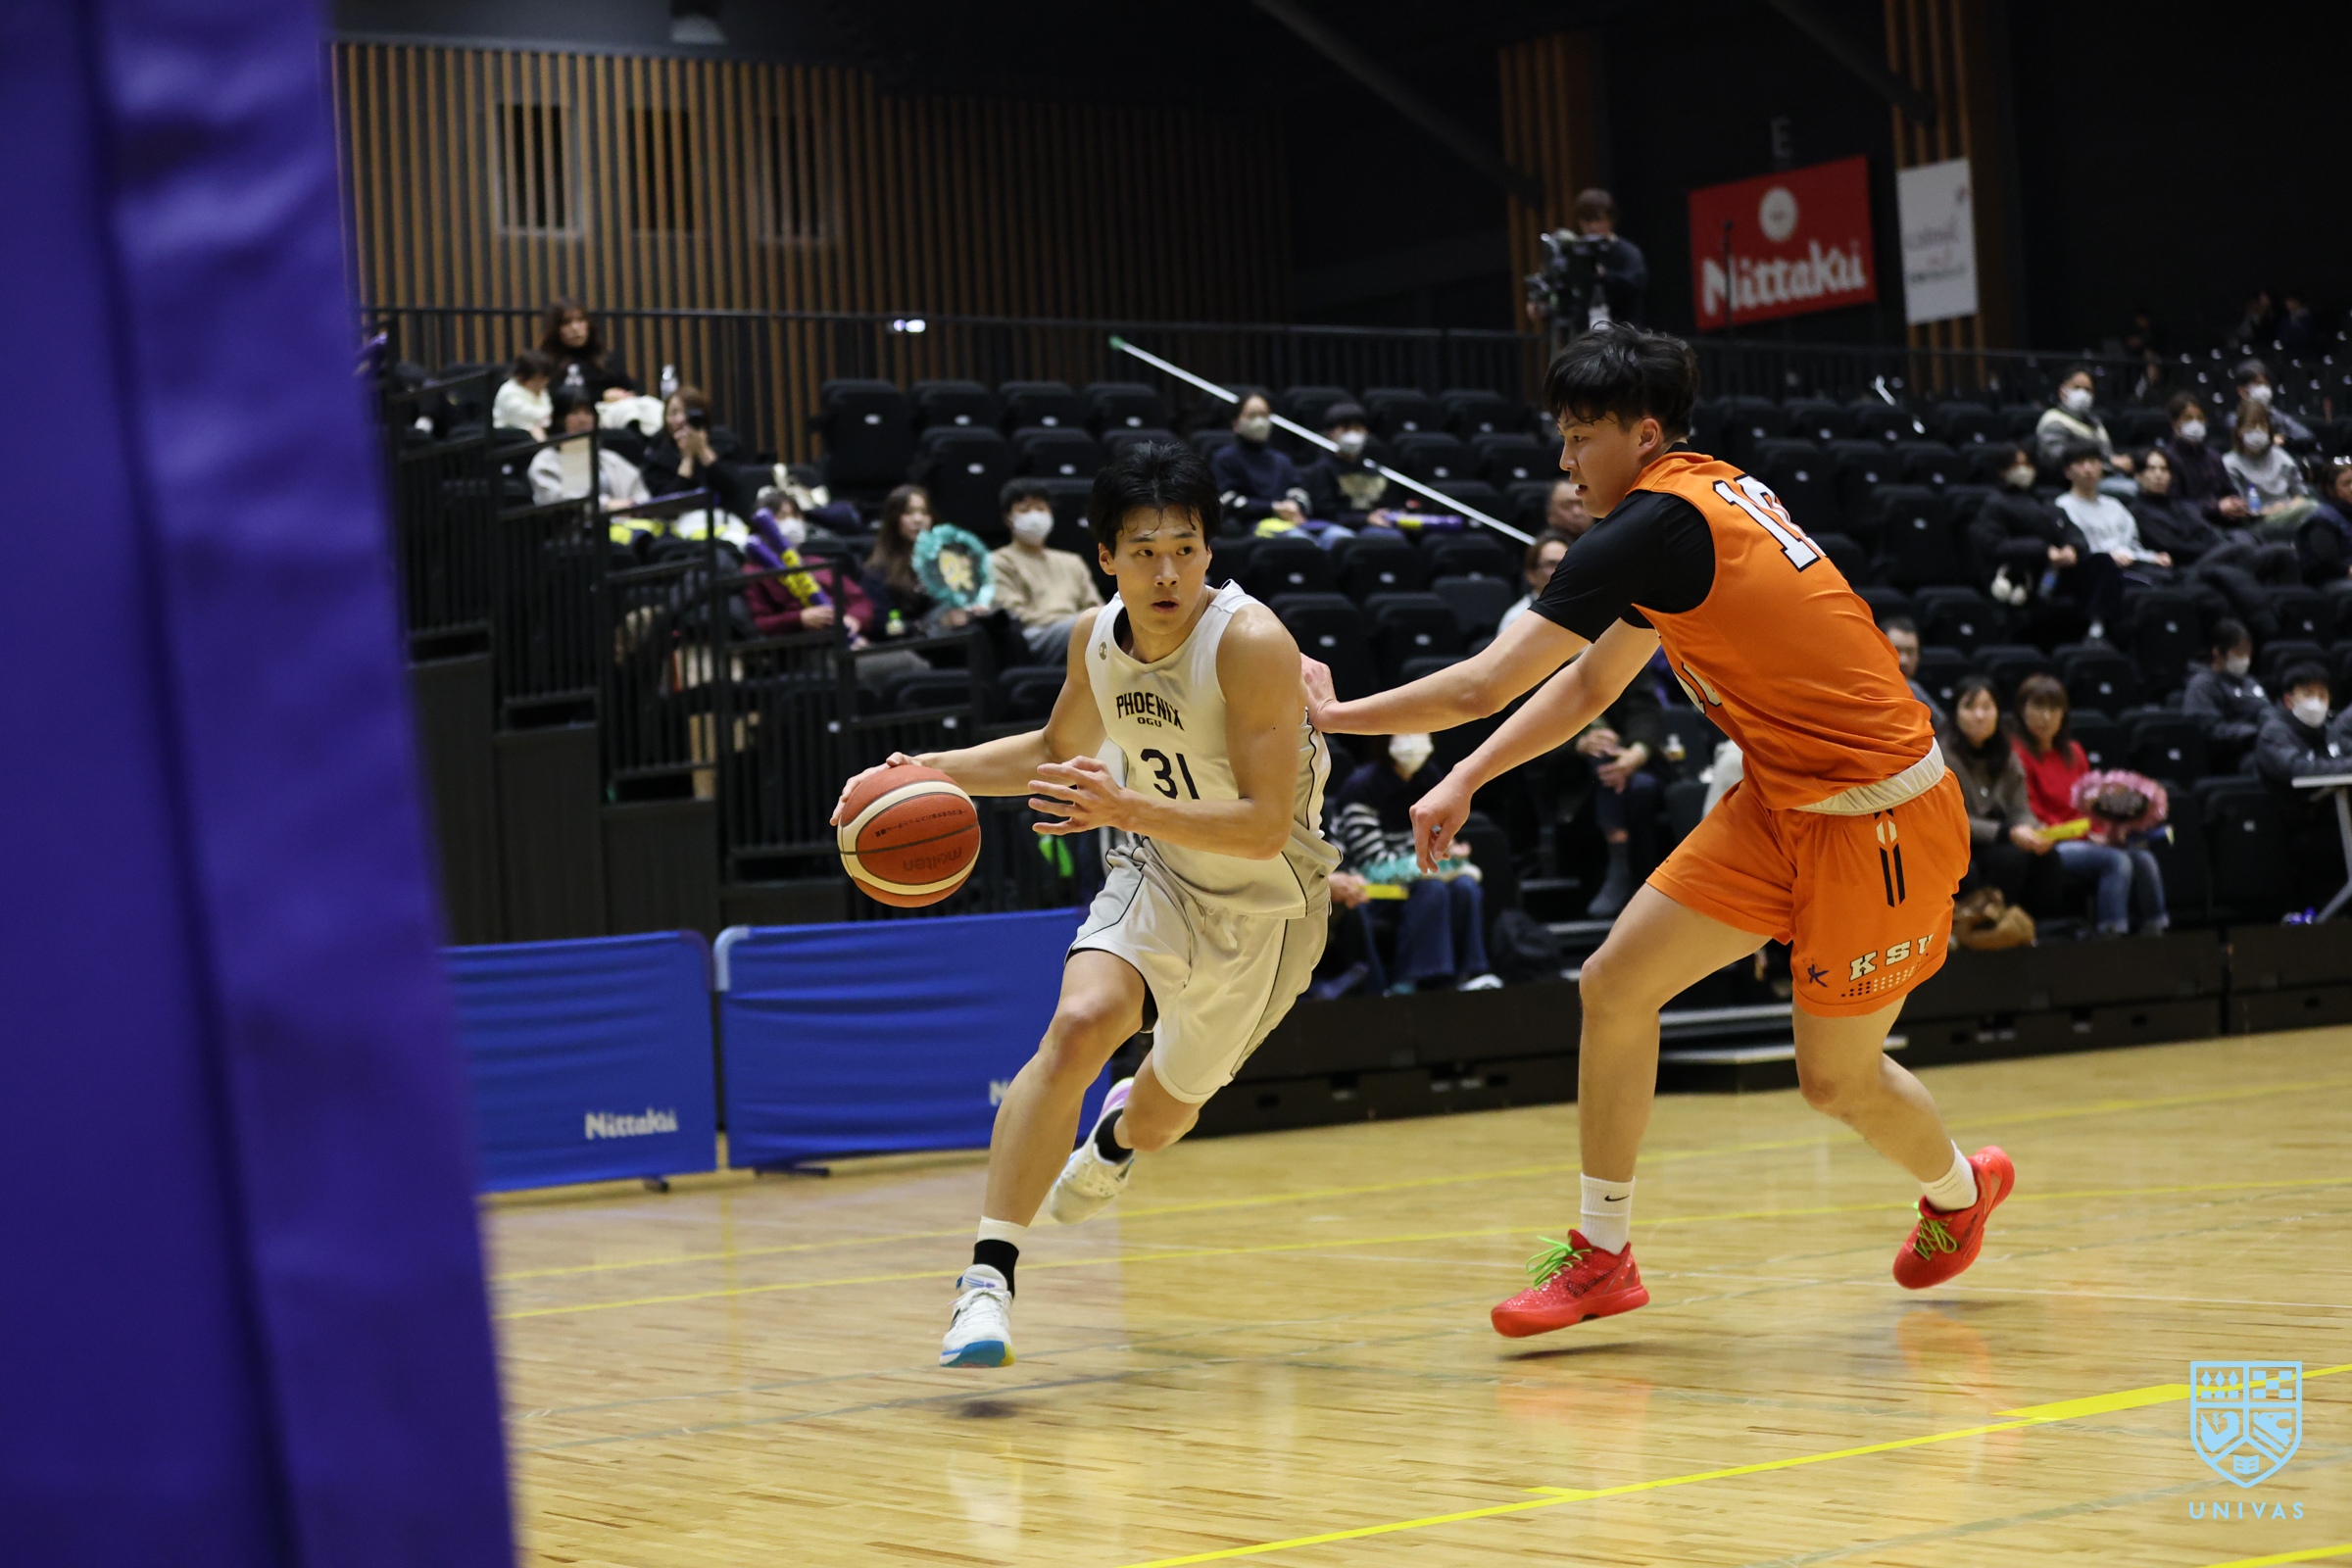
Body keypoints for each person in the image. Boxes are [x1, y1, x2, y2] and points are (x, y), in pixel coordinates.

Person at [1299, 323, 2009, 1339]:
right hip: (1781, 799)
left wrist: (1332, 715)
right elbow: (1591, 685)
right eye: (1562, 436)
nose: (1564, 461)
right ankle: (1603, 1254)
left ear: (1641, 435)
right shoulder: (1688, 508)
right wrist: (1464, 775)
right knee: (1615, 984)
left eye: (1580, 436)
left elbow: (1485, 682)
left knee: (1835, 1081)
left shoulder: (1655, 526)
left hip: (1879, 818)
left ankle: (1959, 1194)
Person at [829, 442, 1338, 1368]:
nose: (1167, 572)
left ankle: (1116, 1136)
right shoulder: (1095, 638)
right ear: (1105, 557)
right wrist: (926, 772)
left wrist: (1121, 806)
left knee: (1163, 1119)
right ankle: (986, 1284)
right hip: (1158, 869)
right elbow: (1053, 753)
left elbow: (1265, 827)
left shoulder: (1251, 642)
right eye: (1144, 552)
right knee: (1077, 1028)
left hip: (1269, 907)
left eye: (1185, 549)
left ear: (1209, 550)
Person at [1331, 733, 1501, 994]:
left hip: (1418, 876)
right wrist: (1434, 867)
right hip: (1370, 886)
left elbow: (1439, 840)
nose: (1414, 741)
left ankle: (1472, 972)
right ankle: (1414, 980)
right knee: (1431, 889)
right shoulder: (1361, 787)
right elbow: (1372, 864)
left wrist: (1451, 853)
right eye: (1405, 733)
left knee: (1465, 886)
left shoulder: (1431, 779)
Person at [2008, 674, 2165, 936]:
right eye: (2038, 707)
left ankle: (2156, 934)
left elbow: (2091, 806)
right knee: (2117, 862)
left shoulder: (2074, 751)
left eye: (2053, 709)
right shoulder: (2017, 754)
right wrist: (2087, 835)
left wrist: (2106, 832)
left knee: (2144, 859)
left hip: (2087, 837)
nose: (2046, 717)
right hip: (2051, 842)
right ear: (2022, 710)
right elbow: (2032, 812)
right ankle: (2110, 936)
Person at [2130, 447, 2300, 638]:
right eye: (2151, 469)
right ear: (2138, 475)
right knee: (2238, 548)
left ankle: (2295, 621)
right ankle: (2271, 629)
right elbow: (2171, 547)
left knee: (2282, 552)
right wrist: (2216, 549)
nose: (2158, 475)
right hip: (2186, 570)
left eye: (2163, 469)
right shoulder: (2138, 511)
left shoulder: (2183, 506)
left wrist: (2219, 547)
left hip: (2219, 558)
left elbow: (2209, 533)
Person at [1940, 674, 2062, 915]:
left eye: (1987, 707)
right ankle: (1991, 924)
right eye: (1969, 707)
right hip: (1962, 842)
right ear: (1955, 713)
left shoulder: (2007, 754)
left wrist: (2036, 831)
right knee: (2011, 858)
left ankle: (2045, 929)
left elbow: (2021, 808)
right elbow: (1953, 821)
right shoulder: (1943, 757)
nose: (1979, 715)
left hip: (2003, 836)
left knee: (2047, 856)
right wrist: (2008, 833)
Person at [2253, 662, 2352, 913]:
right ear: (2289, 700)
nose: (2317, 702)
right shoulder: (2274, 733)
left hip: (2334, 821)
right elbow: (2300, 769)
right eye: (2308, 694)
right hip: (2295, 829)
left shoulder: (2328, 729)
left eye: (2322, 695)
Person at [2054, 441, 2169, 635]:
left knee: (2169, 577)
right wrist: (2111, 555)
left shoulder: (2114, 505)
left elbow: (2132, 545)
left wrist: (2152, 557)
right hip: (2093, 571)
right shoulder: (2063, 506)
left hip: (2130, 565)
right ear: (2067, 472)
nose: (2088, 469)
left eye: (2093, 462)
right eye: (2080, 463)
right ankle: (2098, 631)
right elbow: (2077, 546)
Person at [990, 480, 1103, 662]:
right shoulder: (998, 561)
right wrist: (1077, 621)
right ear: (1008, 518)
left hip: (1078, 627)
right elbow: (1013, 615)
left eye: (1040, 509)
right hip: (1034, 635)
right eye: (1025, 510)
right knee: (1090, 626)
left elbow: (1094, 605)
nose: (1034, 516)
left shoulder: (1072, 561)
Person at [1966, 446, 2086, 615]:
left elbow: (2071, 530)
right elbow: (1994, 545)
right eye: (2016, 465)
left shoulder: (2045, 502)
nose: (2023, 470)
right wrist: (2043, 549)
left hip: (2055, 576)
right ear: (2003, 470)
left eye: (2027, 464)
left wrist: (2072, 547)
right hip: (2019, 579)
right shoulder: (1995, 505)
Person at [1524, 188, 1648, 340]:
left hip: (1623, 333)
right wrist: (1544, 308)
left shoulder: (1627, 252)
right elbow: (1563, 295)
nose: (1592, 226)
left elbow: (1636, 284)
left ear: (1611, 219)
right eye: (1586, 221)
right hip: (1583, 336)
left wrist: (1603, 275)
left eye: (1598, 219)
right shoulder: (1574, 254)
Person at [526, 389, 649, 510]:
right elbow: (563, 502)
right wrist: (606, 506)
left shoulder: (609, 458)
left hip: (625, 520)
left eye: (588, 413)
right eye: (574, 413)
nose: (582, 419)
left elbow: (640, 493)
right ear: (560, 420)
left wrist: (635, 506)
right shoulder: (546, 461)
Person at [1209, 393, 1312, 529]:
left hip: (1291, 521)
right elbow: (1227, 501)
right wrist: (1273, 508)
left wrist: (1294, 506)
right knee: (1298, 537)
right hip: (1252, 525)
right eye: (1252, 415)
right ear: (1236, 423)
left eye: (1264, 415)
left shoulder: (1282, 460)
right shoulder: (1225, 459)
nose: (1259, 421)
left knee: (1335, 534)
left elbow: (1299, 492)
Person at [2180, 619, 2269, 769]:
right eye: (2239, 652)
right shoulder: (2202, 685)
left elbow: (2267, 711)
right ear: (2218, 652)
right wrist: (2251, 732)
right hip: (2228, 757)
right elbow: (2209, 730)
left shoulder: (2250, 682)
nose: (2245, 658)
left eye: (2248, 652)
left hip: (2261, 746)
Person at [641, 385, 748, 509]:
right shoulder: (658, 450)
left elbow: (736, 488)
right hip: (679, 517)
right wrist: (687, 458)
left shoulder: (724, 441)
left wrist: (702, 449)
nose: (680, 419)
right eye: (673, 413)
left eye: (687, 412)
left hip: (723, 513)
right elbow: (664, 504)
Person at [1298, 402, 1399, 526]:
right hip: (1339, 527)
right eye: (1346, 429)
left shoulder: (1375, 469)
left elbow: (1389, 502)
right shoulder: (1321, 470)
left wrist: (1387, 512)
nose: (1353, 434)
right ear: (1330, 434)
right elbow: (1325, 512)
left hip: (1376, 524)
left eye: (1358, 429)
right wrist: (1365, 519)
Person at [2225, 404, 2317, 537]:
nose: (2257, 432)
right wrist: (2271, 510)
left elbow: (2299, 494)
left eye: (2262, 427)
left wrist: (2287, 507)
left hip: (2291, 512)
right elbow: (2239, 508)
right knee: (2313, 509)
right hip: (2257, 522)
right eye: (2250, 427)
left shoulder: (2282, 456)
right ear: (2239, 430)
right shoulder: (2230, 464)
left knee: (2316, 511)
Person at [2159, 395, 2251, 527]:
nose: (2195, 423)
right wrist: (2217, 507)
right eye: (2188, 418)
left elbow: (2229, 490)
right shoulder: (2167, 459)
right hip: (2193, 527)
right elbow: (2176, 505)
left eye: (2200, 418)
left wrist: (2235, 503)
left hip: (2226, 522)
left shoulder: (2213, 457)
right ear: (2174, 423)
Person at [2034, 366, 2130, 478]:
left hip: (2102, 477)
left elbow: (2108, 453)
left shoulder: (2095, 423)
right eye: (2077, 387)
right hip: (2067, 481)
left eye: (2087, 390)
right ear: (2062, 392)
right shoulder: (2053, 419)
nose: (2082, 394)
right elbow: (2057, 458)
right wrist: (2107, 463)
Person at [537, 299, 632, 401]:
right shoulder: (544, 361)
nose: (575, 328)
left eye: (581, 320)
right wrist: (601, 396)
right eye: (566, 323)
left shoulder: (603, 358)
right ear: (555, 329)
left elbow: (629, 391)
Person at [2222, 360, 2315, 448]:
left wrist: (2284, 439)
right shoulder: (2234, 418)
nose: (2264, 388)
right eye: (2258, 384)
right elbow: (2246, 441)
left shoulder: (2274, 413)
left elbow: (2306, 436)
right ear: (2241, 390)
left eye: (2265, 384)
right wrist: (2271, 439)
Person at [1497, 529, 1574, 635]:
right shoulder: (1516, 619)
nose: (1560, 570)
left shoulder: (1585, 612)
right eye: (1551, 564)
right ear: (1531, 574)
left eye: (1565, 564)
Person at [1880, 616, 1947, 731]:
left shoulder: (1915, 689)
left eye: (1910, 652)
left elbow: (1942, 729)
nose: (1904, 660)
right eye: (1896, 650)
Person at [492, 350, 556, 439]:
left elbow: (547, 416)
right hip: (510, 437)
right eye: (537, 380)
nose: (543, 384)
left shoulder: (542, 391)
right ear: (521, 377)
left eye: (545, 379)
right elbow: (536, 416)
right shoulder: (509, 392)